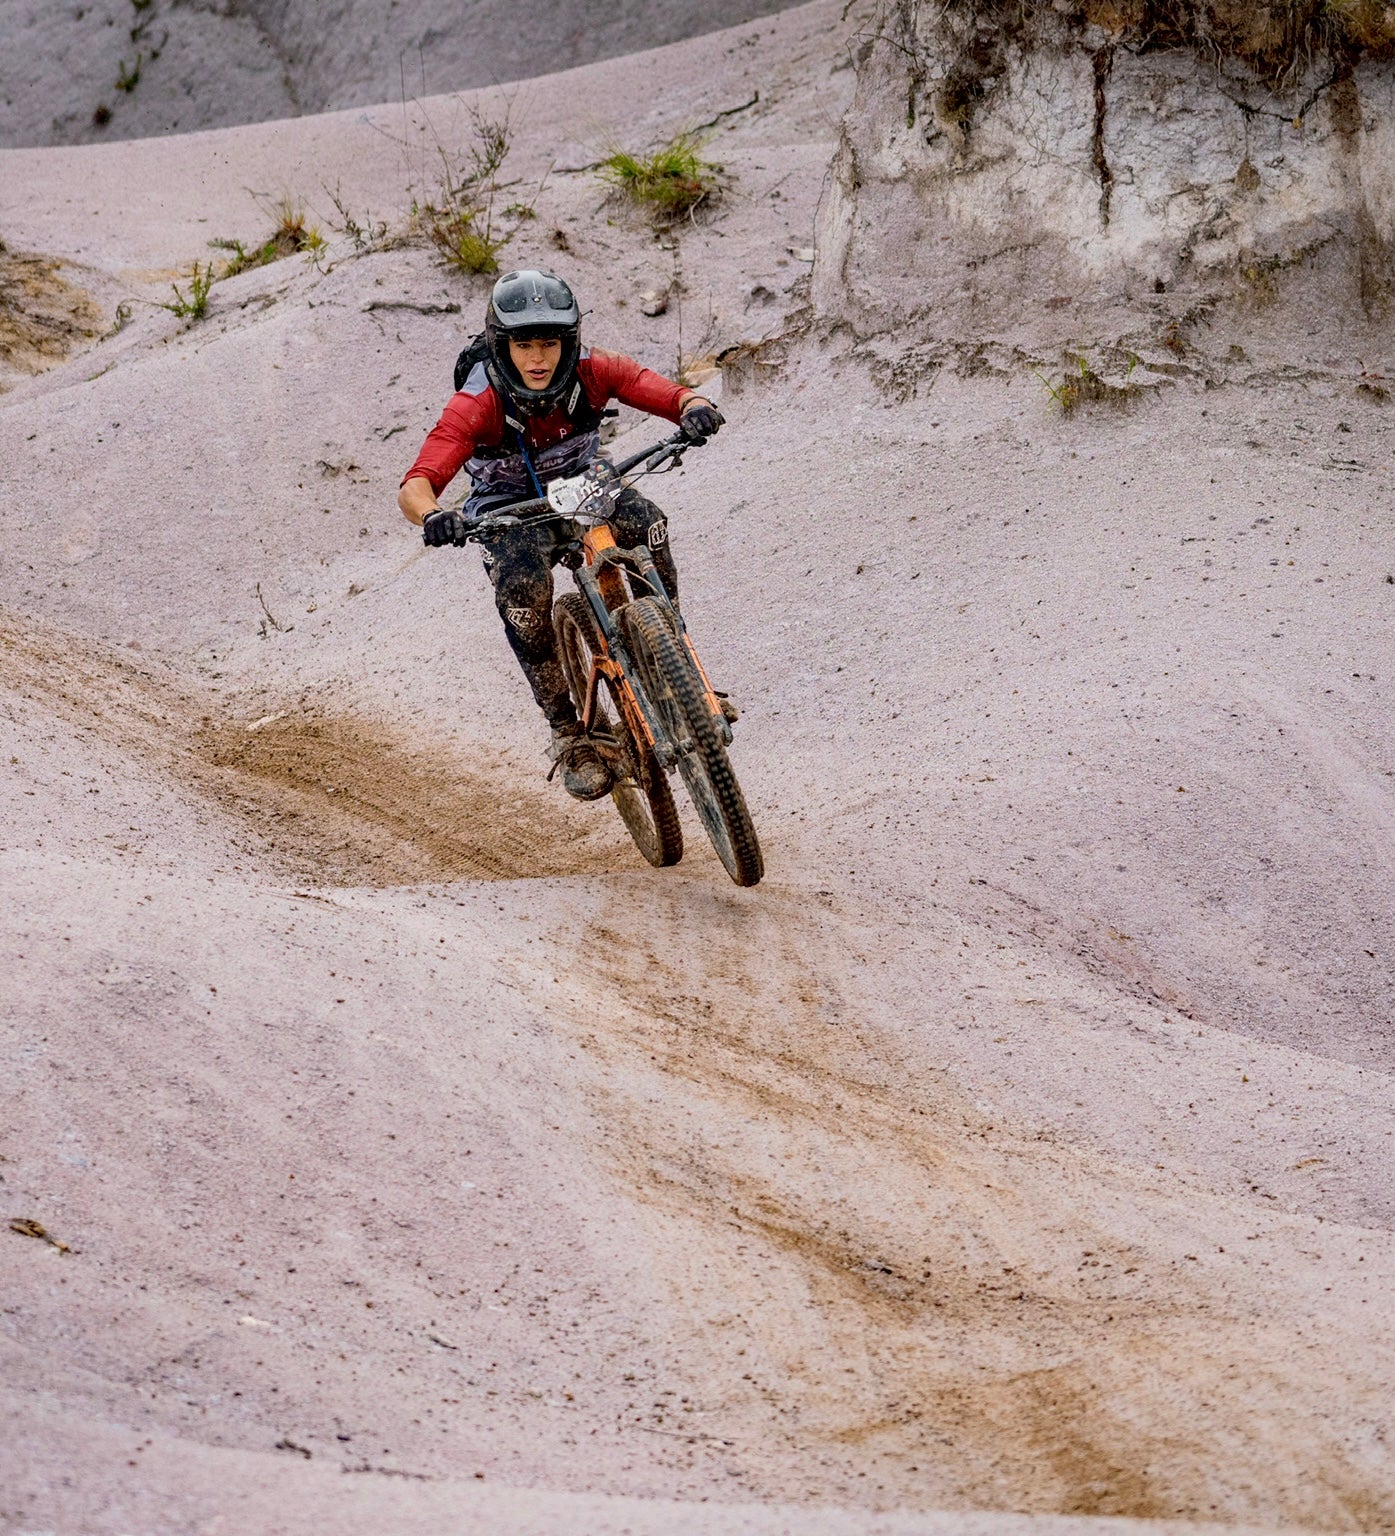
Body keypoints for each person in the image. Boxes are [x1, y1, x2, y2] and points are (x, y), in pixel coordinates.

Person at [398, 268, 723, 800]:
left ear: (568, 341)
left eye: (549, 343)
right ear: (501, 347)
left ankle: (677, 665)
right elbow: (417, 483)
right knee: (522, 592)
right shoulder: (477, 402)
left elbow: (656, 388)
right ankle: (569, 732)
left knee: (650, 525)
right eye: (523, 344)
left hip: (585, 484)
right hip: (510, 510)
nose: (538, 358)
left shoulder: (595, 369)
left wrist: (693, 406)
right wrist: (433, 514)